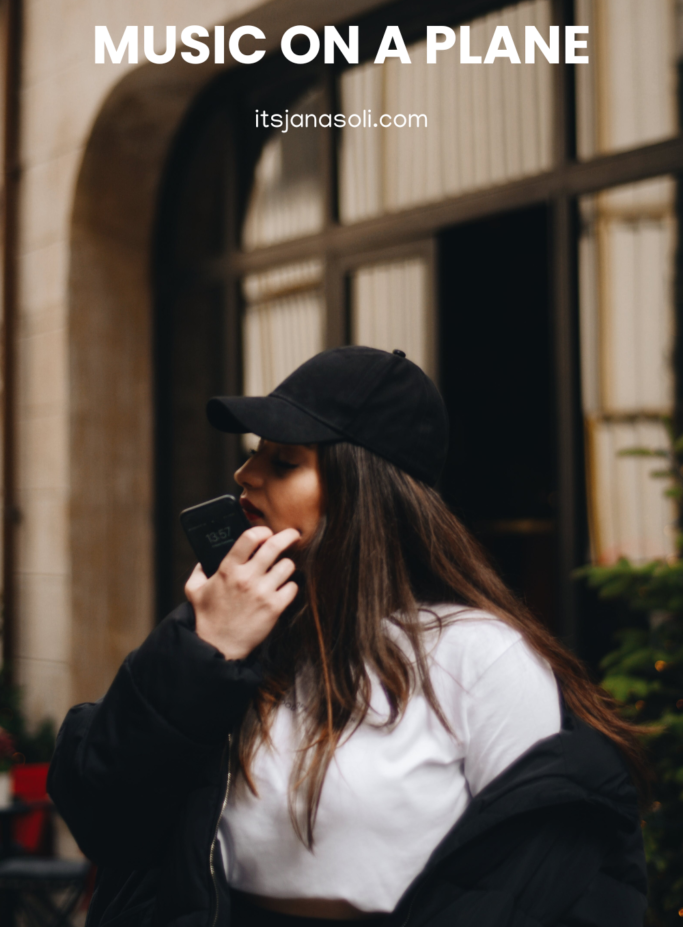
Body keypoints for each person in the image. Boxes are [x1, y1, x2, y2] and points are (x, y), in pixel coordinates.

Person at [48, 346, 648, 927]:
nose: (244, 474)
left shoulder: (480, 656)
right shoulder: (232, 627)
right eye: (257, 453)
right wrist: (204, 649)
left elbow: (542, 884)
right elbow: (104, 817)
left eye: (283, 462)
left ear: (364, 493)